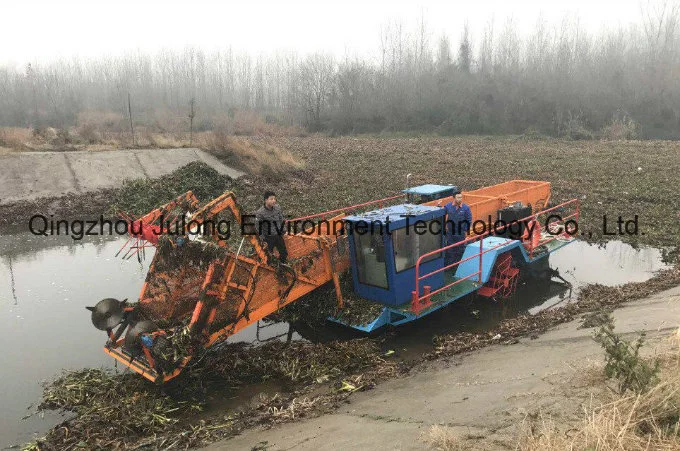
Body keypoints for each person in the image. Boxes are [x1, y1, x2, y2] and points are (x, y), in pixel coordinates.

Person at [255, 191, 288, 264]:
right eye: (271, 199)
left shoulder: (277, 208)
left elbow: (281, 219)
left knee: (284, 253)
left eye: (274, 199)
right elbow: (258, 227)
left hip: (278, 235)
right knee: (268, 257)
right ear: (266, 200)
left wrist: (284, 231)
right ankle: (272, 270)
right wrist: (262, 239)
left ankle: (281, 267)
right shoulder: (260, 213)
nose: (274, 201)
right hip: (268, 238)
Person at [444, 190, 472, 266]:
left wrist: (465, 231)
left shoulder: (466, 208)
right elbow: (442, 214)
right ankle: (450, 265)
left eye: (461, 197)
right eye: (458, 197)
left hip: (460, 233)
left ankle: (459, 265)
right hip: (450, 233)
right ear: (454, 198)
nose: (460, 199)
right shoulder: (448, 206)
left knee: (460, 249)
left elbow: (469, 220)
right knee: (450, 250)